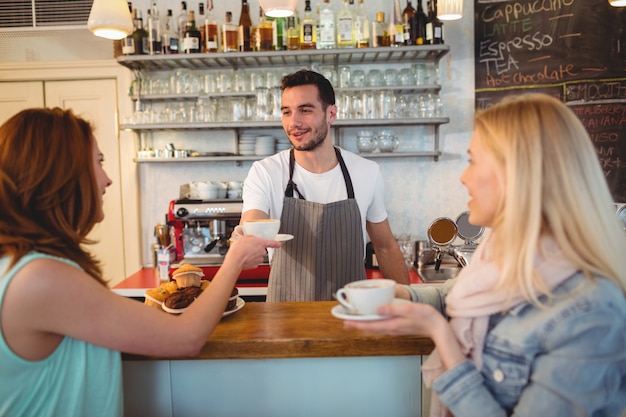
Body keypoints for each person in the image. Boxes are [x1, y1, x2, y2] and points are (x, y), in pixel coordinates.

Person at [346, 94, 626, 416]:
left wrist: (440, 333)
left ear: (521, 174)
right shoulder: (503, 253)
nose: (464, 177)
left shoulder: (590, 312)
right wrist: (400, 293)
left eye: (474, 161)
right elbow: (455, 295)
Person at [0, 107, 281, 416]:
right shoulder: (41, 278)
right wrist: (236, 258)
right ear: (60, 174)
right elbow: (185, 338)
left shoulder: (26, 266)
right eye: (98, 162)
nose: (107, 180)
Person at [239, 69, 409, 302]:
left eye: (305, 110)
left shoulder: (366, 172)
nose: (294, 122)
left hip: (351, 312)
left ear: (331, 114)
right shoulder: (266, 172)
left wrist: (407, 304)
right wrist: (250, 235)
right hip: (285, 316)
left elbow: (386, 246)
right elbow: (253, 220)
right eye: (286, 112)